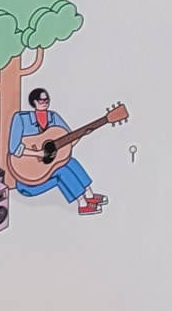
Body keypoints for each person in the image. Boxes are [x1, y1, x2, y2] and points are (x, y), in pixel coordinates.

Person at [12, 86, 109, 215]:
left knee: (71, 162)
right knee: (62, 170)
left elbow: (68, 141)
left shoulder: (53, 117)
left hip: (48, 168)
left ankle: (89, 195)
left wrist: (82, 133)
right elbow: (14, 148)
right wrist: (38, 153)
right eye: (41, 100)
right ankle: (82, 204)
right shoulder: (21, 118)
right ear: (34, 102)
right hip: (28, 181)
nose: (45, 102)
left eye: (47, 100)